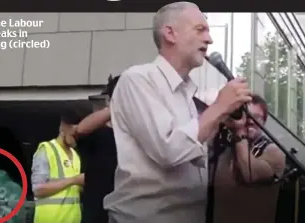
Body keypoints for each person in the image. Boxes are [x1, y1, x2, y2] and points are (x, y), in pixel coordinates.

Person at [103, 2, 253, 223]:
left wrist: (221, 119)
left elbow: (189, 151)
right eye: (200, 29)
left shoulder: (186, 92)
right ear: (170, 33)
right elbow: (169, 150)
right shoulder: (137, 79)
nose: (209, 39)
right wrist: (219, 108)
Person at [207, 94, 286, 223]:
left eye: (256, 117)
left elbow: (250, 174)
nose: (249, 121)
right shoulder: (223, 148)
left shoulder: (273, 152)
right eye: (246, 115)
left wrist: (239, 132)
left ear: (264, 121)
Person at [75, 75, 120, 223]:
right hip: (98, 213)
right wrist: (116, 107)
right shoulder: (97, 133)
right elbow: (80, 130)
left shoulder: (138, 133)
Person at [31, 110, 85, 223]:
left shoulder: (75, 155)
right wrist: (74, 180)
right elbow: (38, 190)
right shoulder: (46, 150)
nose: (77, 139)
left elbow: (72, 191)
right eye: (74, 134)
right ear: (63, 127)